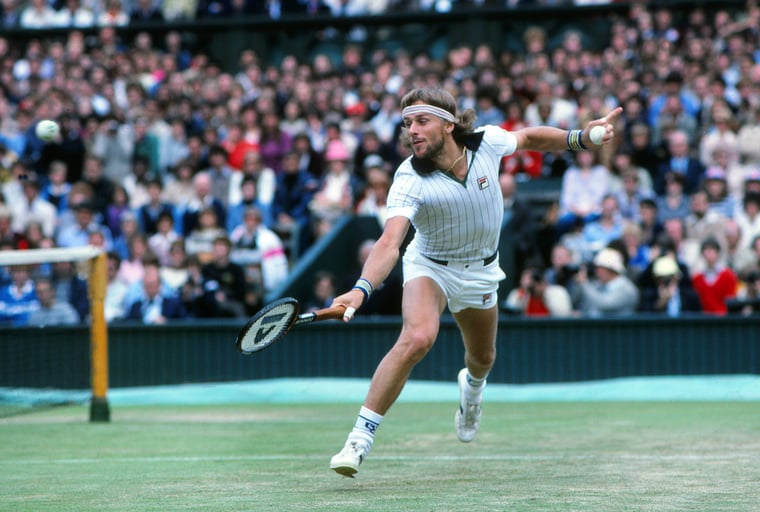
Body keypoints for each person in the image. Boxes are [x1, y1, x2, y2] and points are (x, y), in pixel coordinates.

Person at [327, 87, 621, 477]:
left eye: (421, 120)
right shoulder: (407, 178)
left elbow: (530, 137)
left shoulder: (487, 143)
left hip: (481, 270)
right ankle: (358, 439)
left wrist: (579, 139)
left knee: (482, 359)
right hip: (430, 267)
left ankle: (472, 389)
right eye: (407, 123)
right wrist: (361, 289)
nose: (411, 130)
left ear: (448, 124)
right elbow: (389, 242)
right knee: (417, 338)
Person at [575, 247, 639, 317]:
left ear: (611, 270)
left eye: (600, 268)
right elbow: (588, 307)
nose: (596, 272)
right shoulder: (598, 284)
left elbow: (603, 304)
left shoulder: (627, 289)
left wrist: (584, 283)